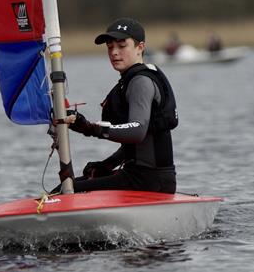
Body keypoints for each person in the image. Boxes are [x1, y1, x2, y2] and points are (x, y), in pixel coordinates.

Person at [62, 17, 177, 195]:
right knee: (70, 186)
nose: (114, 52)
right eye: (110, 47)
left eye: (122, 46)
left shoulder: (141, 81)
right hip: (141, 177)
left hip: (148, 182)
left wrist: (91, 128)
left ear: (140, 47)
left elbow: (137, 132)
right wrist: (106, 165)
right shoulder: (129, 80)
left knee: (66, 191)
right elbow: (137, 147)